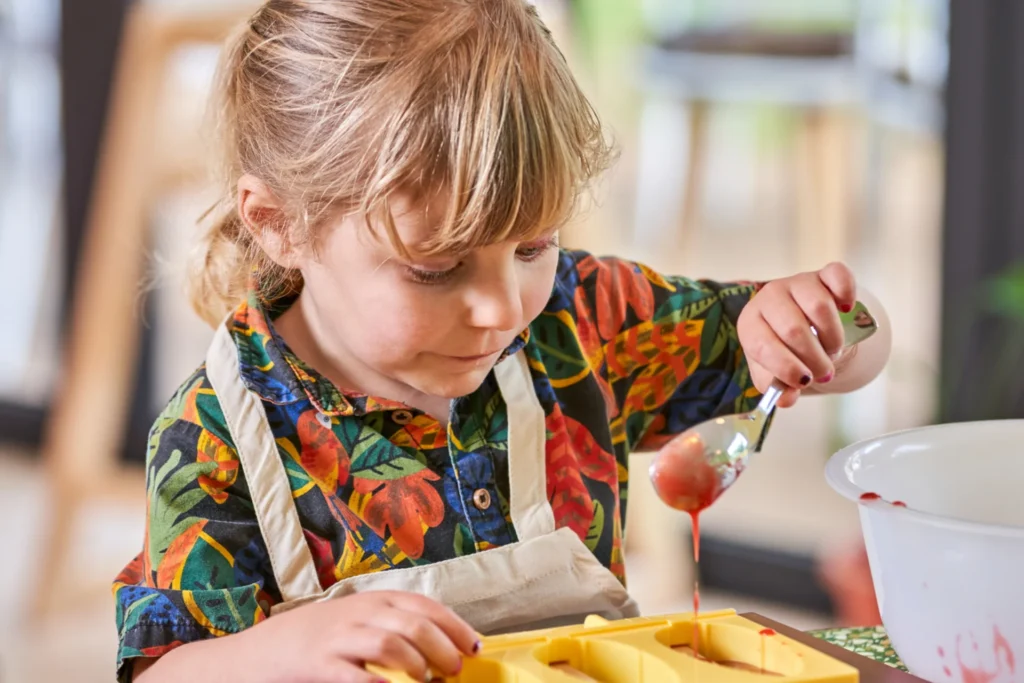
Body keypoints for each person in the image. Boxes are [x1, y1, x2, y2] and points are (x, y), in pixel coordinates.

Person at [112, 1, 892, 681]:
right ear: (279, 223)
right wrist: (284, 650)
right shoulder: (213, 436)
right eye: (436, 268)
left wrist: (822, 328)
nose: (500, 307)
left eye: (531, 245)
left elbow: (863, 341)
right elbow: (164, 670)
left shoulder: (579, 317)